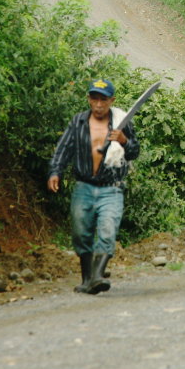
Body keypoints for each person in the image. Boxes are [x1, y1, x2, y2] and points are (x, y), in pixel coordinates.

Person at [47, 79, 140, 295]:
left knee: (108, 231)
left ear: (111, 101)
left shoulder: (121, 123)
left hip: (112, 187)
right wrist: (55, 171)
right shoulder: (78, 122)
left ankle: (98, 276)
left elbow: (134, 153)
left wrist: (124, 141)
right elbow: (64, 148)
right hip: (84, 186)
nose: (98, 104)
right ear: (89, 99)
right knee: (81, 233)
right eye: (94, 99)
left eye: (103, 100)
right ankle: (87, 279)